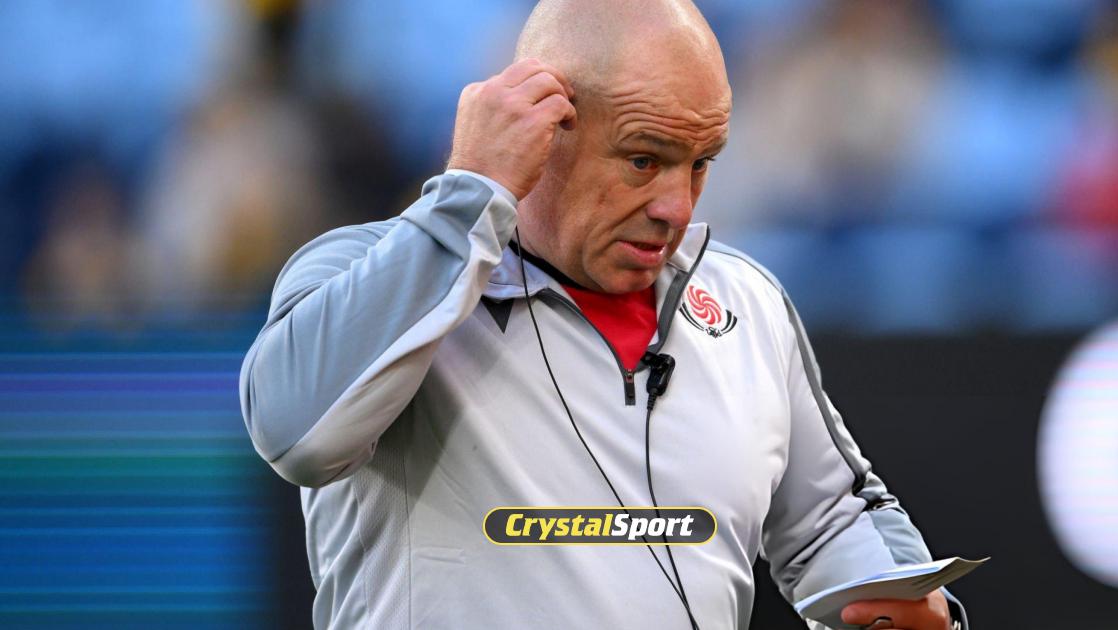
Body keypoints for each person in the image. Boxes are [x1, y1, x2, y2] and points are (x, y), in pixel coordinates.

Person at [239, 1, 968, 628]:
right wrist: (470, 193)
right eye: (644, 159)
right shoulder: (362, 269)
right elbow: (296, 434)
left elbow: (833, 519)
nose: (676, 207)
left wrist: (898, 601)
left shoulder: (745, 302)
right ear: (540, 128)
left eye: (701, 162)